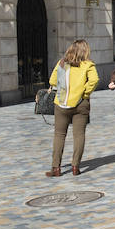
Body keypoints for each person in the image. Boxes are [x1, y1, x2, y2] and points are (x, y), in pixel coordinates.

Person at [47, 39, 98, 177]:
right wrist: (85, 92)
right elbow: (94, 80)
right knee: (79, 135)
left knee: (59, 135)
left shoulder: (62, 63)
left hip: (62, 103)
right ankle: (75, 166)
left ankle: (56, 168)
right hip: (81, 103)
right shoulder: (88, 65)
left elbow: (52, 81)